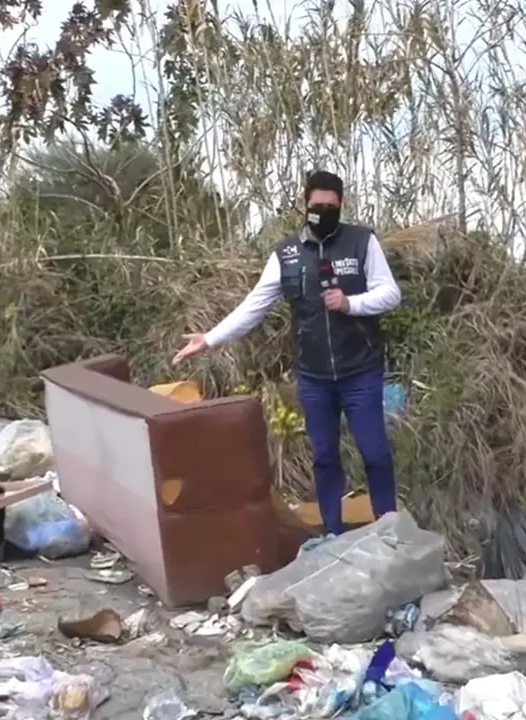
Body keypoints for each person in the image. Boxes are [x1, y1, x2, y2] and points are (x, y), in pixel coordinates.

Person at [171, 170, 402, 535]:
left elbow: (390, 293)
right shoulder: (287, 255)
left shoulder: (362, 242)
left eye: (331, 205)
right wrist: (210, 339)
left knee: (375, 453)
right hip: (314, 377)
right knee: (324, 457)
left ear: (341, 205)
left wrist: (350, 303)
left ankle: (391, 532)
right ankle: (331, 533)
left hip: (360, 370)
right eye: (317, 205)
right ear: (305, 204)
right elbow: (254, 306)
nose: (323, 211)